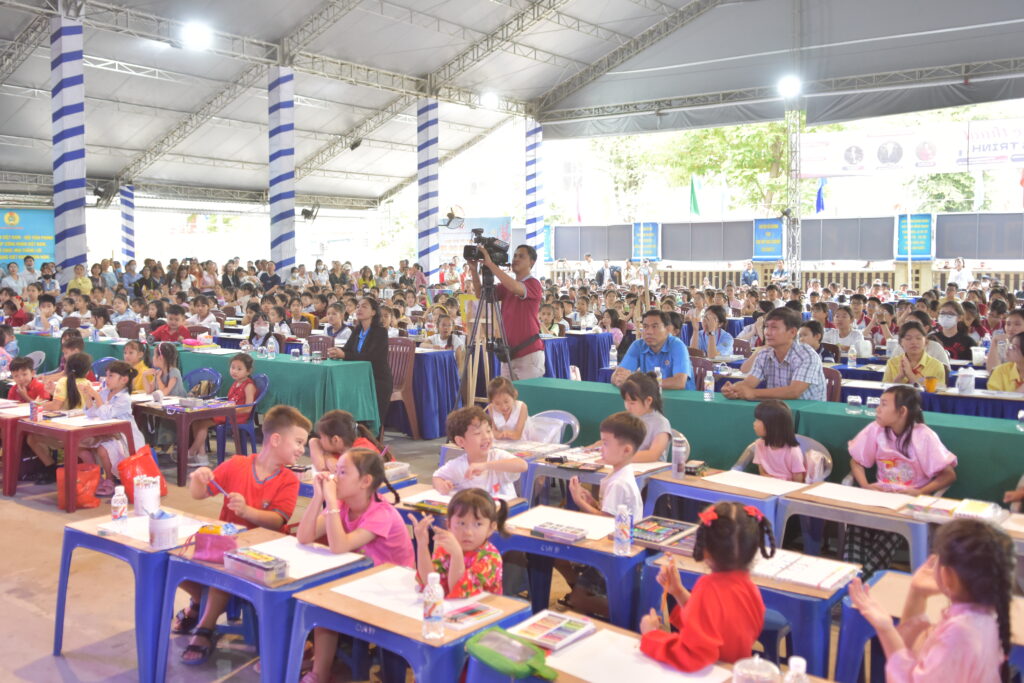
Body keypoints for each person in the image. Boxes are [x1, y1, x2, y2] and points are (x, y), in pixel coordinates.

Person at [178, 405, 308, 664]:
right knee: (174, 557)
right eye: (298, 442)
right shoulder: (237, 464)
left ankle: (205, 626)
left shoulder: (289, 479)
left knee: (229, 566)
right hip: (225, 546)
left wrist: (247, 511)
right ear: (275, 439)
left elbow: (278, 520)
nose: (301, 449)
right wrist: (199, 478)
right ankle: (200, 600)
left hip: (266, 552)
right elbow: (199, 494)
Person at [297, 447, 413, 683]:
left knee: (326, 600)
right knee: (319, 600)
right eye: (336, 471)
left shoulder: (381, 513)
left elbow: (340, 546)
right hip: (362, 579)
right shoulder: (344, 505)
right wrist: (318, 497)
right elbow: (304, 536)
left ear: (365, 481)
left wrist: (331, 501)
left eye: (342, 472)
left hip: (393, 589)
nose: (334, 477)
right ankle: (319, 670)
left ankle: (322, 667)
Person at [848, 519, 1011, 682]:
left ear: (948, 575)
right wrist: (917, 593)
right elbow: (914, 653)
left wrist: (885, 628)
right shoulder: (982, 616)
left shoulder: (959, 633)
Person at [639, 502, 774, 671]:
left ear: (705, 550)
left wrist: (652, 635)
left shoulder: (708, 588)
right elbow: (713, 622)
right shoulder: (750, 589)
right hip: (735, 672)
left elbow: (691, 656)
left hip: (712, 673)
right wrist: (679, 592)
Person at [844, 385, 957, 576]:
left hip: (907, 503)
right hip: (878, 497)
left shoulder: (924, 436)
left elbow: (949, 475)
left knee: (890, 529)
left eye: (884, 404)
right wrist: (865, 486)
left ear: (902, 411)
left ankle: (861, 581)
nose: (877, 409)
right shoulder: (875, 429)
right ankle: (854, 578)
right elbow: (856, 461)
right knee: (857, 522)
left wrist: (919, 492)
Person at [468, 244, 545, 380]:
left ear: (532, 262)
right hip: (508, 352)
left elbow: (516, 288)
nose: (516, 259)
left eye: (521, 256)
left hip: (528, 353)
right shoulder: (507, 286)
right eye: (515, 256)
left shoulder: (534, 283)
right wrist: (474, 271)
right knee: (506, 394)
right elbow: (480, 294)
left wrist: (491, 265)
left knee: (527, 394)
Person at [413, 487, 507, 598]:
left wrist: (456, 554)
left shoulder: (490, 558)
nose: (468, 532)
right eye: (461, 523)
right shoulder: (445, 549)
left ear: (491, 528)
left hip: (479, 607)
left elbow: (459, 594)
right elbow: (430, 583)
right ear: (449, 525)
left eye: (477, 524)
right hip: (449, 607)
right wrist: (422, 545)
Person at [722, 308, 827, 402]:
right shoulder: (764, 354)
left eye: (774, 328)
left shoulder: (807, 355)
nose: (767, 332)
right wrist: (733, 390)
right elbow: (748, 383)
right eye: (766, 327)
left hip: (808, 413)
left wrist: (753, 393)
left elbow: (794, 392)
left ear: (792, 332)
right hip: (777, 410)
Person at [77, 361, 146, 496]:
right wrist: (88, 397)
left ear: (124, 380)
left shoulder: (124, 398)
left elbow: (106, 414)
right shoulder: (105, 393)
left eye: (111, 376)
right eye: (106, 375)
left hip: (124, 439)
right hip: (107, 433)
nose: (106, 379)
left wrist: (96, 395)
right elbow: (92, 413)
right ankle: (96, 477)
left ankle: (110, 479)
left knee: (103, 449)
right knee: (79, 445)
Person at [432, 406, 527, 500]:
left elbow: (522, 465)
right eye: (477, 433)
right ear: (460, 441)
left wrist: (485, 466)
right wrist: (442, 485)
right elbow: (436, 477)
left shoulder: (497, 456)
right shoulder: (457, 465)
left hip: (506, 508)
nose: (486, 437)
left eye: (488, 431)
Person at [26, 352, 92, 484]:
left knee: (32, 438)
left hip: (64, 432)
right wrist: (53, 392)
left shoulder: (63, 382)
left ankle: (51, 468)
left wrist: (39, 404)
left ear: (66, 367)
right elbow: (69, 400)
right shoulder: (87, 383)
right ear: (87, 371)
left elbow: (56, 405)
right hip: (82, 431)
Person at [569, 411, 644, 520]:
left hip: (617, 531)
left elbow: (606, 520)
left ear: (626, 450)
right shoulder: (619, 474)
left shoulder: (619, 483)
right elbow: (609, 512)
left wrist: (578, 501)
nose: (601, 449)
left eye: (606, 444)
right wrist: (592, 502)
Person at [187, 353, 256, 466]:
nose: (234, 371)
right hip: (228, 412)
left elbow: (248, 408)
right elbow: (230, 400)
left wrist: (228, 410)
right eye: (232, 367)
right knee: (196, 420)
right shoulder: (236, 383)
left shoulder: (249, 386)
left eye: (239, 369)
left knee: (203, 424)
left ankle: (191, 453)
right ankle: (201, 456)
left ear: (248, 371)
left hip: (237, 416)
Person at [334, 297, 393, 429]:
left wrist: (344, 355)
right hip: (359, 379)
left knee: (370, 421)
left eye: (364, 306)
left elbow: (370, 357)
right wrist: (337, 352)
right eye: (358, 306)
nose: (359, 309)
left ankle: (371, 438)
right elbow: (347, 350)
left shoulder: (380, 332)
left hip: (377, 379)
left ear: (373, 312)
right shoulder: (357, 330)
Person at [612, 309, 693, 390]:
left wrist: (639, 382)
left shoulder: (677, 345)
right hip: (649, 394)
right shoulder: (638, 345)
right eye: (645, 326)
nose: (649, 332)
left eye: (655, 326)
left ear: (667, 330)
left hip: (680, 396)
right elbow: (617, 376)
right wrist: (618, 378)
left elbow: (679, 383)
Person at [308, 409, 383, 474]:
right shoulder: (339, 449)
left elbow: (323, 469)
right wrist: (328, 457)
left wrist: (327, 457)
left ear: (335, 440)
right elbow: (321, 468)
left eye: (321, 437)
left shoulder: (361, 452)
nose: (320, 440)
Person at [751, 400, 805, 482]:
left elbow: (798, 481)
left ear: (772, 425)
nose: (754, 423)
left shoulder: (793, 452)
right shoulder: (759, 444)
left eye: (758, 420)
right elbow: (762, 473)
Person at [883, 322, 947, 387]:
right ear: (901, 343)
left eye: (918, 338)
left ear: (925, 341)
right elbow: (885, 390)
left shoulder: (937, 366)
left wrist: (910, 374)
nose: (914, 342)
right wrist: (900, 377)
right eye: (908, 338)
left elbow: (937, 392)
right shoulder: (892, 363)